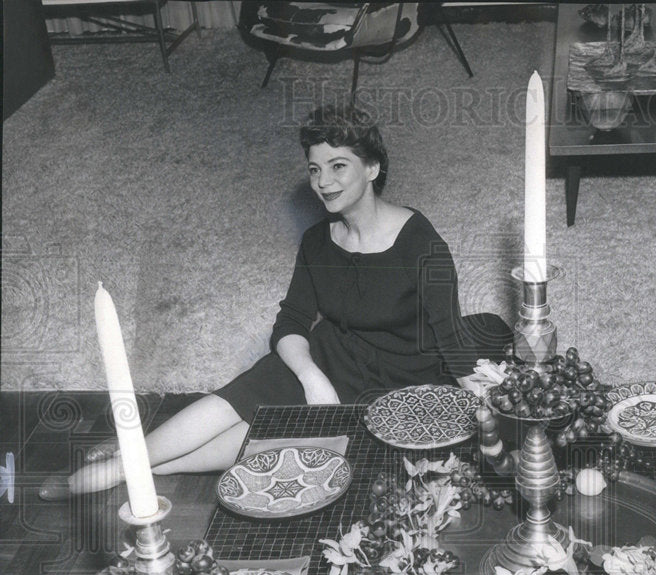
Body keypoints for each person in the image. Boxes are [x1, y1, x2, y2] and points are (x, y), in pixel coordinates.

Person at [41, 104, 511, 500]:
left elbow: (451, 341)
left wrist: (495, 416)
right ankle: (128, 461)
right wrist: (311, 377)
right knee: (248, 390)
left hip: (401, 373)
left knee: (273, 434)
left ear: (372, 169)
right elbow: (292, 321)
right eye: (314, 168)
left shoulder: (420, 243)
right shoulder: (317, 241)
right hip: (334, 353)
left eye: (338, 166)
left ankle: (143, 467)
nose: (323, 182)